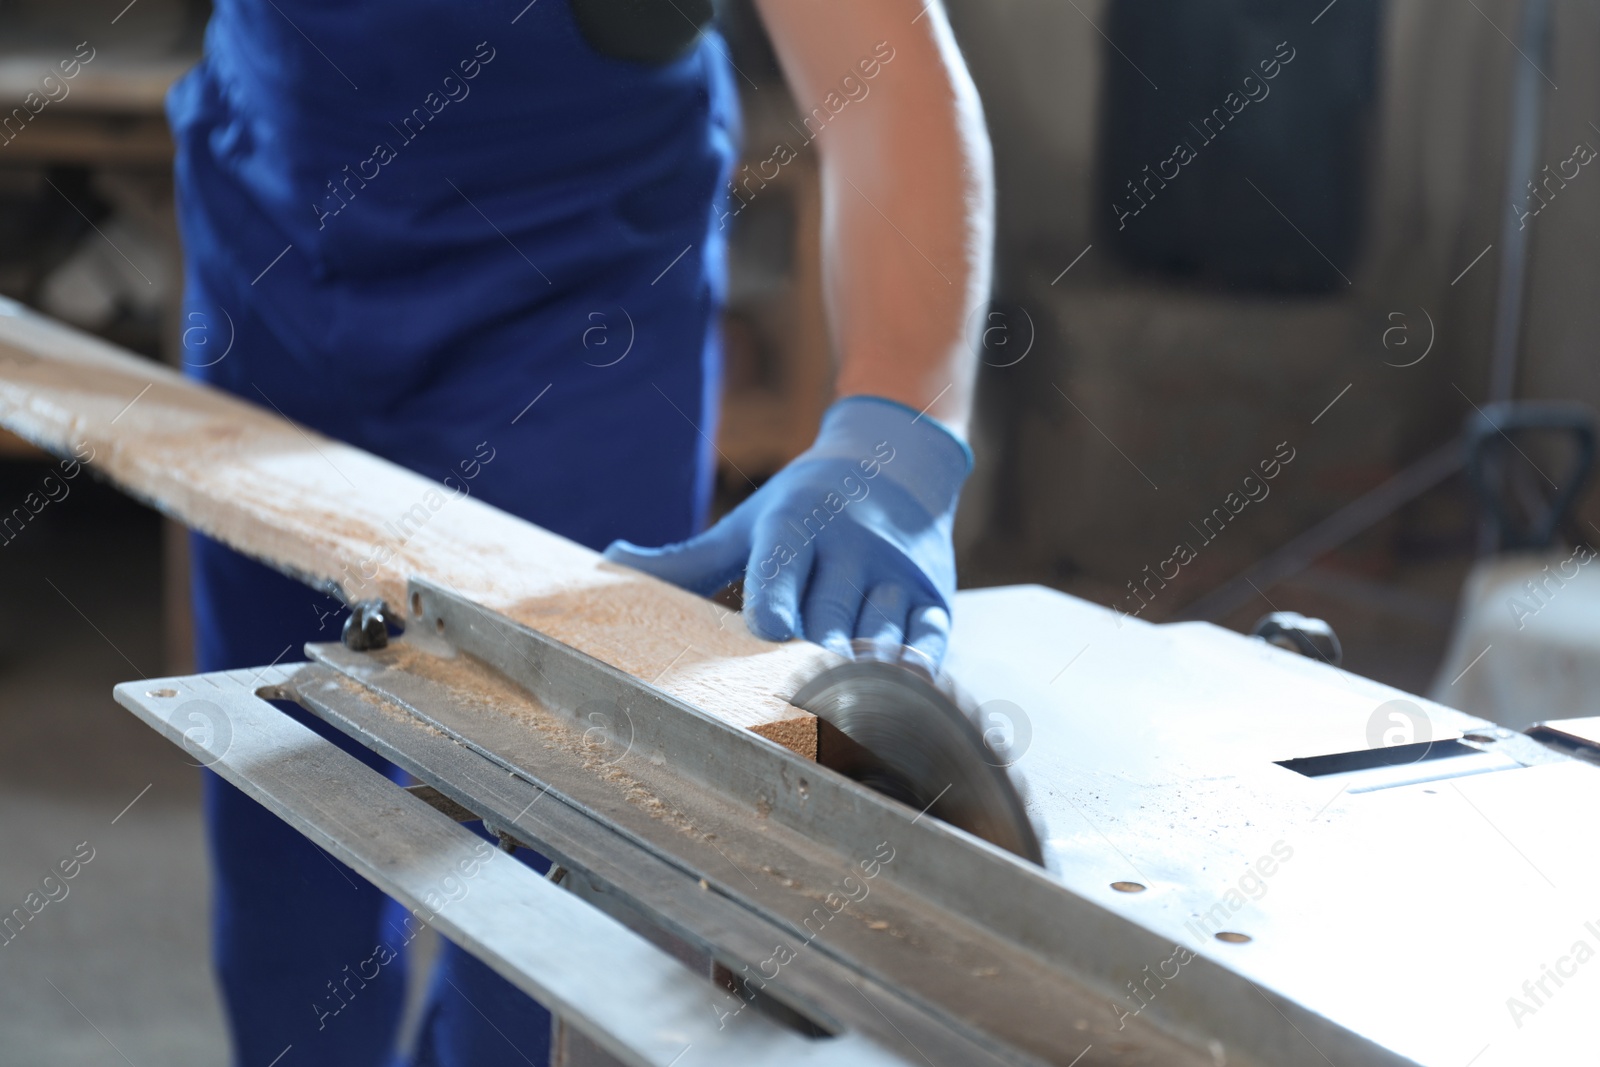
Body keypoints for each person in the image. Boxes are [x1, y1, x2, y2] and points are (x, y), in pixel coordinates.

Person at [167, 0, 991, 1063]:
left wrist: (894, 430)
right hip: (269, 248)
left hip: (570, 302)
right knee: (283, 841)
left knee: (552, 892)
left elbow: (881, 73)